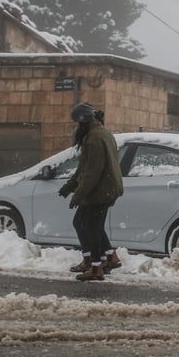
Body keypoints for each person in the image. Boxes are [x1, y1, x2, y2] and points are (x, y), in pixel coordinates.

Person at [58, 101, 124, 281]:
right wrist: (70, 186)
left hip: (100, 190)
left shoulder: (93, 139)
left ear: (84, 122)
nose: (75, 127)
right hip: (108, 188)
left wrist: (78, 195)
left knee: (87, 225)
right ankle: (107, 257)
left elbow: (92, 172)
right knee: (87, 224)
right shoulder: (101, 133)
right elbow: (84, 167)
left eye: (76, 123)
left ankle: (96, 267)